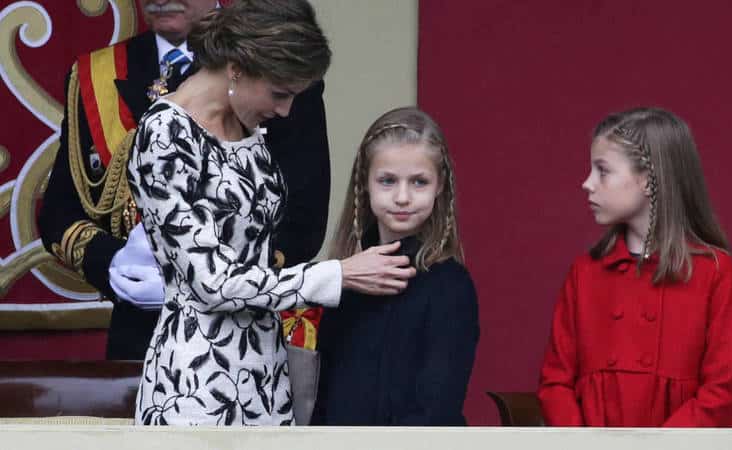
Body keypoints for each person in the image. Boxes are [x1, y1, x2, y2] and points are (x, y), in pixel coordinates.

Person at [128, 0, 415, 426]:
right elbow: (213, 283)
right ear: (238, 67)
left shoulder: (245, 123)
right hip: (195, 383)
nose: (284, 112)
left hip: (266, 373)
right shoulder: (164, 134)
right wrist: (338, 274)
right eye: (279, 94)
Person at [38, 0, 331, 360]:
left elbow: (305, 218)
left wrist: (211, 276)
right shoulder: (94, 74)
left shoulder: (275, 63)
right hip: (141, 333)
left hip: (240, 328)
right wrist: (114, 264)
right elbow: (58, 213)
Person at [537, 107, 732, 427]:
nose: (587, 183)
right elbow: (555, 384)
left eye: (602, 170)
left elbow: (720, 392)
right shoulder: (585, 273)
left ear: (648, 181)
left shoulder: (714, 272)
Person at [311, 107, 479, 426]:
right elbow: (325, 398)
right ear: (365, 183)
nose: (402, 197)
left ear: (440, 185)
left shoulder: (450, 286)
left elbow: (437, 407)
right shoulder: (345, 279)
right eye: (387, 181)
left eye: (419, 182)